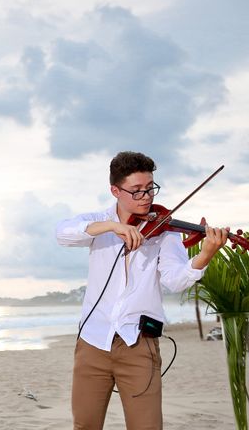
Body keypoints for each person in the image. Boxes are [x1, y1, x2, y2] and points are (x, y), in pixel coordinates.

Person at [56, 151, 228, 429]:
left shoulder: (165, 230)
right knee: (84, 425)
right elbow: (63, 233)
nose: (146, 196)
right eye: (136, 191)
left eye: (150, 188)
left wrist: (206, 253)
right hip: (92, 342)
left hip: (138, 344)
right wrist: (113, 227)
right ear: (115, 190)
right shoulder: (98, 221)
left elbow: (175, 279)